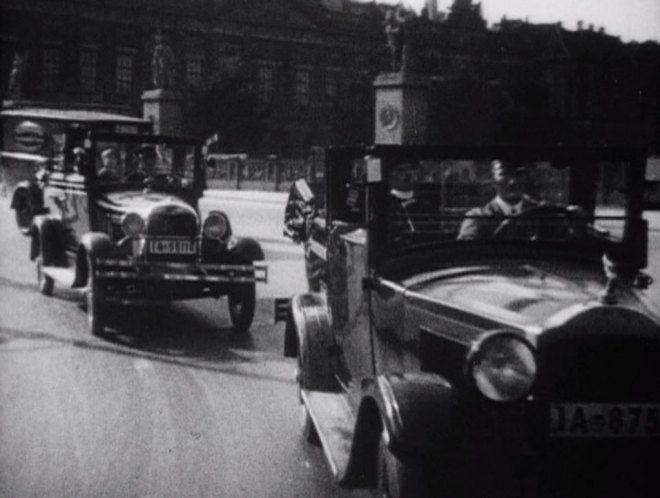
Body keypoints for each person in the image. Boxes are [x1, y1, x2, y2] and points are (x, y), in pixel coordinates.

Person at [457, 159, 538, 240]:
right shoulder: (477, 218)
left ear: (527, 178)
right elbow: (466, 249)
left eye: (519, 174)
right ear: (492, 180)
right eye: (504, 174)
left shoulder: (541, 213)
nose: (513, 181)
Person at [387, 162, 431, 237]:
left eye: (410, 169)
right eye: (401, 170)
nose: (408, 173)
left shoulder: (425, 204)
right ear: (390, 177)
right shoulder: (386, 205)